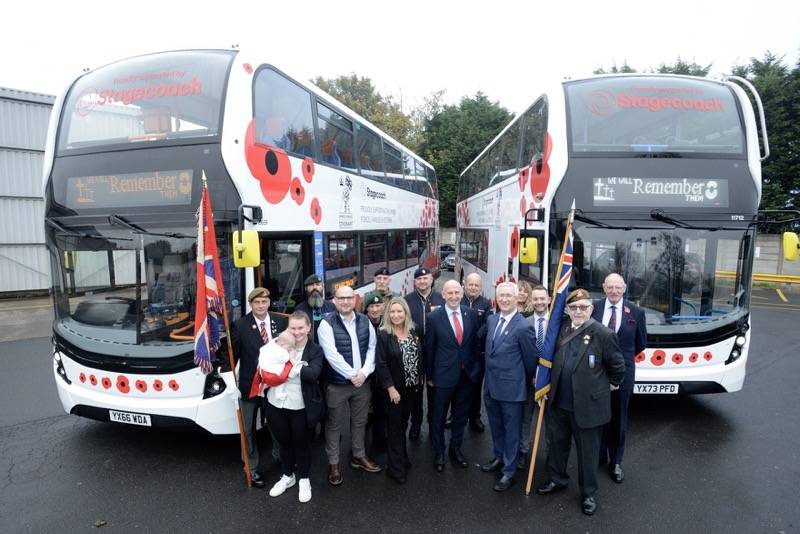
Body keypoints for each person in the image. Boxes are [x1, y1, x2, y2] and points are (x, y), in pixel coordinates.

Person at [537, 288, 625, 516]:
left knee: (587, 454)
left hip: (588, 408)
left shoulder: (603, 334)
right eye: (574, 307)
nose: (578, 311)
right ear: (567, 309)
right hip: (558, 403)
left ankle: (588, 493)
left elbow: (618, 368)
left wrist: (605, 387)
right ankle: (557, 479)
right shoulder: (560, 328)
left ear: (591, 309)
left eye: (583, 307)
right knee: (556, 446)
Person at [317, 285, 382, 486]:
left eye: (348, 298)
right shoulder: (326, 324)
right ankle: (334, 464)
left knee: (359, 421)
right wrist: (352, 374)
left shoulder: (365, 321)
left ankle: (358, 455)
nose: (345, 302)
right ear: (334, 300)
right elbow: (331, 355)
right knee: (334, 425)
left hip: (362, 382)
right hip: (337, 384)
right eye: (340, 298)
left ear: (355, 300)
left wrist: (364, 372)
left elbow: (372, 348)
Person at [479, 282, 538, 491]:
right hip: (491, 387)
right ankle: (499, 457)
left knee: (511, 431)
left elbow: (531, 361)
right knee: (495, 426)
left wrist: (520, 381)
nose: (504, 299)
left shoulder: (523, 326)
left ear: (517, 298)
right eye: (501, 296)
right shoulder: (492, 319)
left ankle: (509, 471)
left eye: (508, 296)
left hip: (512, 390)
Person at [591, 273, 647, 484]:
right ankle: (599, 455)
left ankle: (615, 462)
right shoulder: (593, 308)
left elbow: (641, 343)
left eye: (618, 287)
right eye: (610, 287)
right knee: (598, 417)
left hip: (622, 375)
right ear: (604, 287)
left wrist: (620, 361)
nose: (614, 291)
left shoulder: (636, 312)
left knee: (618, 419)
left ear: (624, 289)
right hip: (595, 373)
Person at [264, 313, 325, 503]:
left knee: (302, 444)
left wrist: (290, 366)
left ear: (308, 328)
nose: (296, 332)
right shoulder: (277, 344)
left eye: (300, 328)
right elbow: (265, 364)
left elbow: (312, 374)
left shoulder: (315, 350)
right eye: (293, 328)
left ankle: (304, 479)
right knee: (284, 442)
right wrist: (296, 368)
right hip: (276, 403)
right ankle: (287, 476)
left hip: (300, 406)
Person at [231, 287, 287, 488]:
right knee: (247, 429)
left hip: (274, 385)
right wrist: (230, 382)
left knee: (277, 424)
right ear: (251, 304)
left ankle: (281, 458)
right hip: (249, 386)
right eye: (257, 303)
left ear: (269, 303)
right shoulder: (239, 326)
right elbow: (230, 357)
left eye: (264, 302)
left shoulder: (281, 321)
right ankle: (251, 468)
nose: (261, 306)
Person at [425, 280, 480, 472]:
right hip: (442, 377)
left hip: (466, 376)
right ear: (443, 295)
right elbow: (429, 349)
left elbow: (474, 344)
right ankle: (439, 451)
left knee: (460, 416)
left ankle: (455, 449)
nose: (454, 296)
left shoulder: (471, 314)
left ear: (462, 292)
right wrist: (429, 375)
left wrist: (475, 368)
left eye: (457, 292)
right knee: (439, 417)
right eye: (450, 293)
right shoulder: (433, 318)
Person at [376, 297, 423, 483]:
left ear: (406, 313)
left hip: (412, 388)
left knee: (403, 424)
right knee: (394, 428)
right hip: (394, 391)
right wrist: (390, 388)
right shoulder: (384, 334)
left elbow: (421, 355)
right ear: (388, 314)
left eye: (399, 311)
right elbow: (381, 364)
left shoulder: (414, 330)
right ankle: (395, 470)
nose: (396, 315)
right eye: (392, 312)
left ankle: (401, 457)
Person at [405, 267, 444, 441]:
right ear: (415, 282)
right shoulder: (407, 300)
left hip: (436, 353)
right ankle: (416, 424)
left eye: (425, 278)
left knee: (434, 391)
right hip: (416, 353)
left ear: (431, 280)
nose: (422, 281)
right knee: (415, 392)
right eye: (419, 279)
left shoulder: (440, 298)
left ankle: (433, 424)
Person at [519, 284, 550, 470]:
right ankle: (523, 451)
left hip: (550, 381)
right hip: (528, 380)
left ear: (548, 300)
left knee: (551, 421)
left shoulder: (557, 323)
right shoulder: (524, 322)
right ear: (531, 301)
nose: (539, 302)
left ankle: (551, 456)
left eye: (542, 298)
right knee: (525, 418)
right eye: (535, 299)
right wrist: (531, 375)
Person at [462, 273, 493, 433]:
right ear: (464, 284)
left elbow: (488, 324)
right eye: (470, 284)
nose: (473, 288)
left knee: (475, 387)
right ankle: (455, 415)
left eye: (476, 285)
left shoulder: (486, 303)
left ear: (480, 287)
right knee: (457, 386)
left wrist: (474, 337)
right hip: (459, 355)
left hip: (477, 355)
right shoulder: (458, 300)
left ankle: (475, 417)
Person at [363, 291, 388, 452]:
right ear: (366, 309)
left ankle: (379, 443)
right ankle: (361, 446)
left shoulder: (388, 324)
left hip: (382, 378)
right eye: (371, 306)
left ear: (383, 307)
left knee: (381, 411)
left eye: (378, 305)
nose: (374, 309)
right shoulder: (361, 325)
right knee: (363, 414)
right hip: (366, 377)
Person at [294, 274, 335, 343]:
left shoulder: (331, 306)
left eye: (318, 284)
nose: (315, 287)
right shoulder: (299, 310)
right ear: (306, 288)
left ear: (322, 286)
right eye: (311, 285)